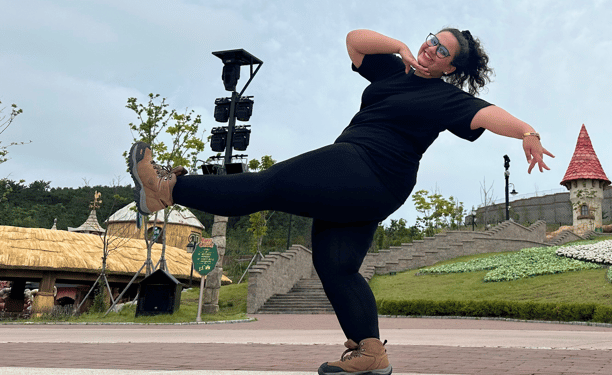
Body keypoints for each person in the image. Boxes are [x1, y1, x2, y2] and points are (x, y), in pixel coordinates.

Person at [128, 28, 554, 375]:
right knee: (336, 266)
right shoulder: (392, 72)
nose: (430, 49)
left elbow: (489, 114)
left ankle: (165, 190)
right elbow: (354, 40)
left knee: (269, 185)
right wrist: (400, 46)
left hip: (366, 167)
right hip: (366, 187)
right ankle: (371, 352)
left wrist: (527, 132)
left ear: (451, 66)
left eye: (441, 50)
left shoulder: (447, 99)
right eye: (430, 39)